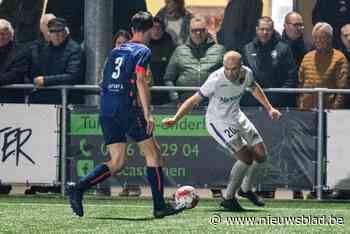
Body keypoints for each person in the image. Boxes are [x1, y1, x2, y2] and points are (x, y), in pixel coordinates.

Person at [68, 11, 185, 218]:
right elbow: (140, 80)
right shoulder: (143, 50)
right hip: (126, 107)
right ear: (149, 30)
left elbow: (103, 82)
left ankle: (79, 188)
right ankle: (159, 207)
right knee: (153, 153)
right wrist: (147, 113)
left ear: (132, 30)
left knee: (118, 161)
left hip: (106, 107)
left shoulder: (117, 50)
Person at [162, 51, 282, 211]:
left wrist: (270, 108)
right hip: (218, 122)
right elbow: (193, 100)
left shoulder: (247, 73)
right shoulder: (215, 79)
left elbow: (254, 87)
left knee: (261, 155)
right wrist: (175, 119)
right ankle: (228, 198)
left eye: (234, 69)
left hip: (237, 115)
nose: (230, 72)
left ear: (241, 67)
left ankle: (245, 190)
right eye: (227, 68)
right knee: (246, 157)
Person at [164, 15, 225, 104]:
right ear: (189, 32)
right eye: (194, 31)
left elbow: (229, 77)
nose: (198, 33)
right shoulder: (179, 51)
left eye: (201, 30)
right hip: (185, 102)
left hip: (213, 101)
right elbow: (168, 79)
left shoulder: (220, 50)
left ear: (207, 30)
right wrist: (175, 99)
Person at [241, 16, 298, 107]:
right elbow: (242, 76)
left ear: (273, 30)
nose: (265, 32)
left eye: (268, 29)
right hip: (252, 103)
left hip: (277, 103)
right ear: (256, 30)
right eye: (262, 29)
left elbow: (291, 77)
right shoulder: (247, 49)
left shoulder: (283, 49)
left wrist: (277, 96)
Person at [298, 22, 348, 110]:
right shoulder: (307, 57)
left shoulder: (339, 58)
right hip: (306, 110)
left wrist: (334, 110)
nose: (318, 40)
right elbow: (300, 83)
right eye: (315, 37)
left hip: (328, 111)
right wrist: (300, 104)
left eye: (322, 37)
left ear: (330, 38)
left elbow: (342, 88)